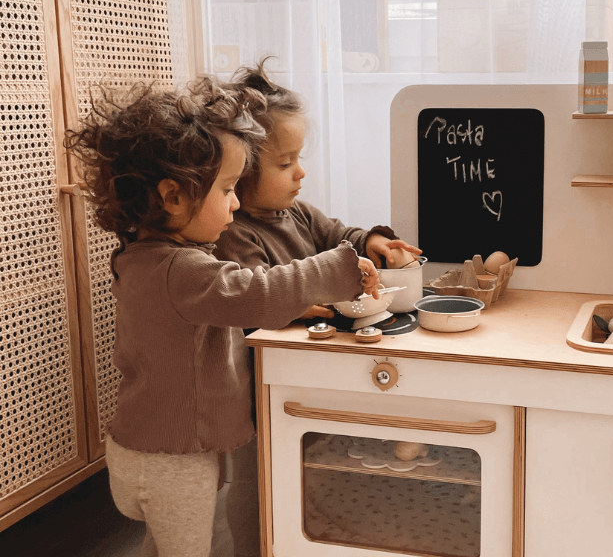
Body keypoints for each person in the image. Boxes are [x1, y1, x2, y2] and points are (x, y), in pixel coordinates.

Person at [65, 77, 379, 557]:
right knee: (207, 546)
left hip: (141, 448)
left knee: (163, 547)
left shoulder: (143, 254)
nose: (237, 202)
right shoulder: (183, 270)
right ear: (173, 197)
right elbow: (259, 295)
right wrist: (338, 267)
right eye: (228, 189)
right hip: (174, 462)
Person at [211, 58, 420, 557]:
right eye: (286, 164)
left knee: (311, 464)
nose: (300, 173)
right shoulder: (236, 235)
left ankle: (308, 533)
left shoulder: (296, 211)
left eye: (298, 158)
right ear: (239, 175)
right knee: (257, 480)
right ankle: (256, 545)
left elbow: (335, 236)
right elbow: (254, 298)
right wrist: (302, 304)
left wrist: (370, 242)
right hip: (259, 388)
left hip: (309, 369)